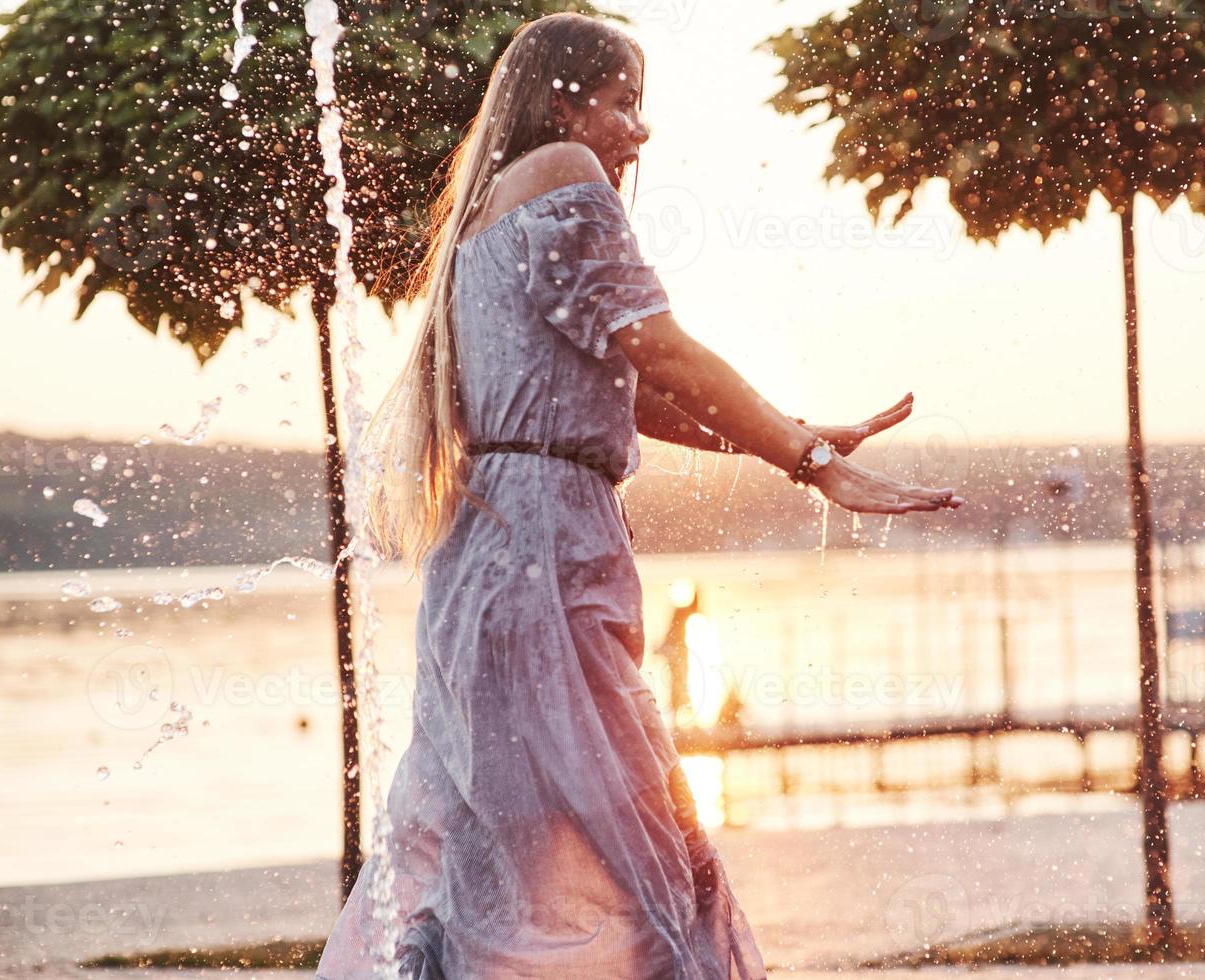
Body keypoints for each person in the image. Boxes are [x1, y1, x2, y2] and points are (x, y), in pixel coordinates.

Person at [316, 11, 963, 979]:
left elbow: (632, 393)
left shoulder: (487, 209)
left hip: (499, 542)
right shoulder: (565, 171)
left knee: (503, 816)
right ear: (565, 99)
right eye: (625, 103)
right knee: (619, 812)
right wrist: (808, 460)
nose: (640, 130)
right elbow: (655, 344)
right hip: (539, 544)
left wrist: (790, 429)